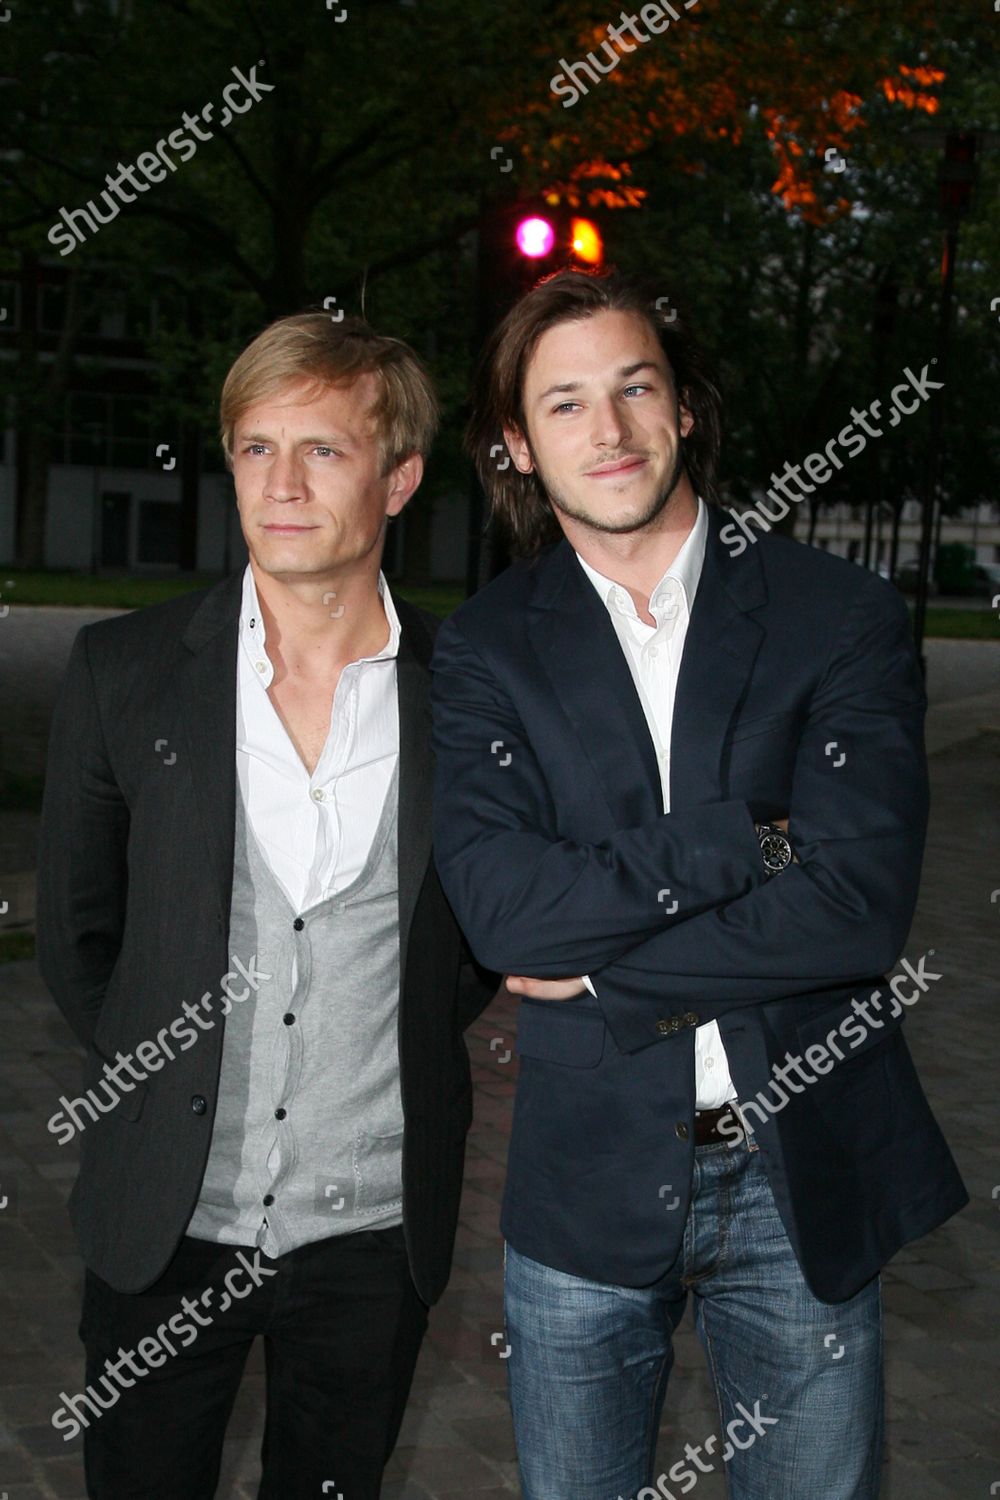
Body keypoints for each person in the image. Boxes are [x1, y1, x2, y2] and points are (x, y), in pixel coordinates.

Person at [430, 267, 966, 1500]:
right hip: (584, 1181)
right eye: (563, 404)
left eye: (634, 388)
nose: (606, 430)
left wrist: (608, 978)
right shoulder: (483, 652)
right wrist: (755, 837)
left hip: (803, 1174)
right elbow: (506, 914)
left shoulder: (839, 616)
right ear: (514, 443)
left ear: (683, 412)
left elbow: (857, 907)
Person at [37, 312, 496, 1499]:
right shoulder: (123, 672)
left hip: (372, 1238)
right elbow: (84, 943)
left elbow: (468, 949)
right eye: (254, 448)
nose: (280, 485)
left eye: (324, 452)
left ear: (398, 479)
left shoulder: (470, 698)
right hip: (163, 1229)